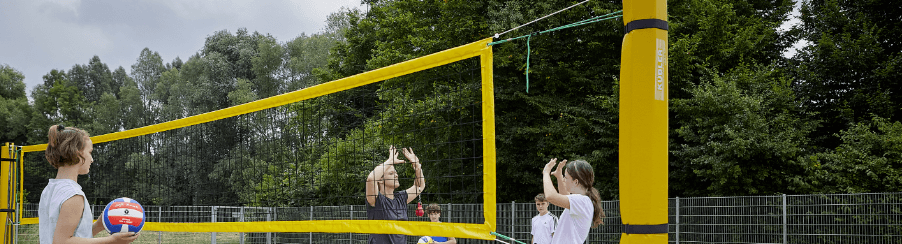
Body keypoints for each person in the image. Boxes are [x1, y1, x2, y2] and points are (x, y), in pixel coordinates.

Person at [38, 125, 140, 244]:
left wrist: (98, 226)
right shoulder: (73, 195)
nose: (92, 159)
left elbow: (72, 236)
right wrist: (111, 240)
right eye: (90, 152)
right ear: (77, 152)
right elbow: (62, 241)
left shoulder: (49, 190)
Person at [366, 145, 425, 244]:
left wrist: (417, 166)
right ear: (380, 180)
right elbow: (371, 179)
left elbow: (419, 186)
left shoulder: (401, 198)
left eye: (396, 173)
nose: (396, 175)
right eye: (391, 173)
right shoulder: (376, 200)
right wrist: (390, 161)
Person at [541, 158, 605, 244]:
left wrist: (546, 172)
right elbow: (565, 195)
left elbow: (550, 196)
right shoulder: (582, 200)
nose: (564, 180)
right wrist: (559, 177)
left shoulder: (582, 201)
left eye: (566, 177)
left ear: (576, 182)